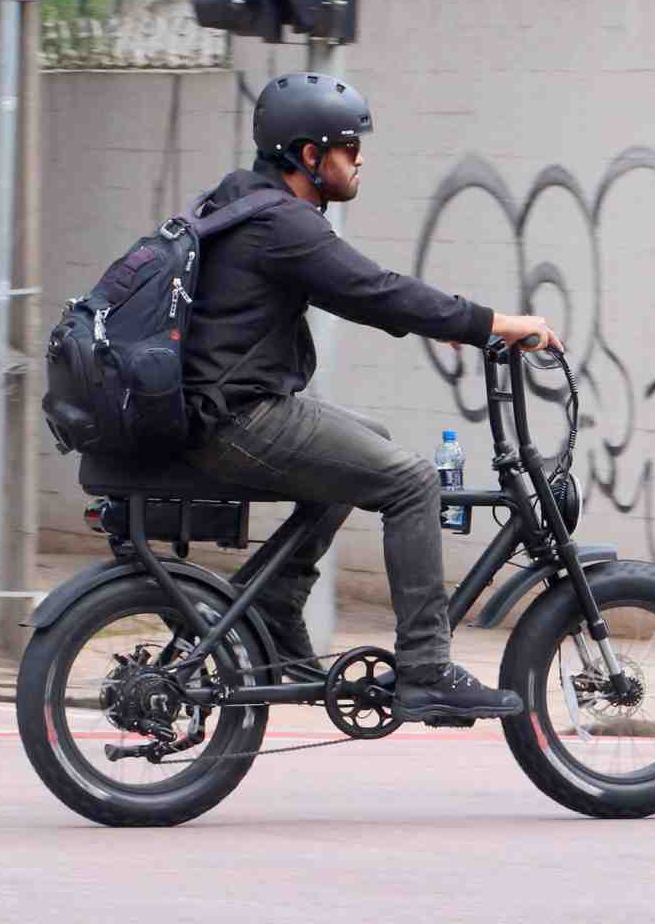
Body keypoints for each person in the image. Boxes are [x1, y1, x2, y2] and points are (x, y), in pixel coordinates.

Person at [180, 71, 560, 722]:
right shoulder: (282, 224)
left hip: (218, 409)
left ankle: (273, 602)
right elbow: (376, 290)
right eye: (349, 147)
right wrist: (494, 323)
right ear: (310, 155)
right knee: (412, 481)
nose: (360, 161)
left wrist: (449, 323)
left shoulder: (243, 203)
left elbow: (366, 294)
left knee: (370, 443)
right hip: (236, 418)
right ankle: (426, 669)